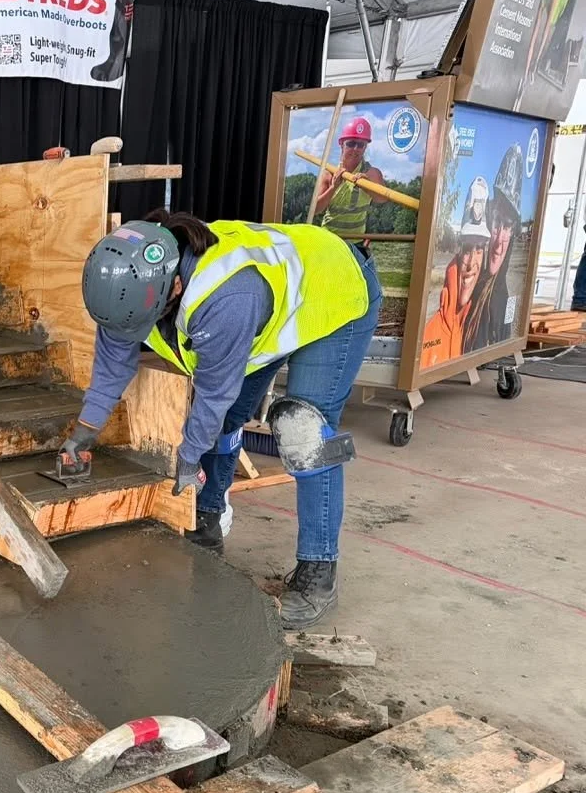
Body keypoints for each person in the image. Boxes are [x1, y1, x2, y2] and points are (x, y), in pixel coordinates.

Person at [57, 211, 381, 630]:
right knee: (226, 418)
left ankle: (318, 574)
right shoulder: (129, 286)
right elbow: (112, 365)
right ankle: (206, 522)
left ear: (173, 287)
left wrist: (188, 461)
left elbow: (212, 394)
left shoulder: (225, 297)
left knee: (304, 431)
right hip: (272, 308)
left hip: (333, 291)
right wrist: (83, 433)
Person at [421, 179, 490, 368]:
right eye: (467, 250)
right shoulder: (429, 334)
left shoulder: (468, 325)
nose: (471, 264)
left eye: (479, 250)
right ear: (458, 253)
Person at [466, 148, 523, 352]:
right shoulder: (467, 290)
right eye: (497, 223)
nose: (499, 242)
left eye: (507, 228)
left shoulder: (504, 302)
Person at [314, 117, 387, 249]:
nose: (355, 149)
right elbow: (315, 209)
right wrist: (333, 187)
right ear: (341, 144)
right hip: (329, 240)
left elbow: (382, 198)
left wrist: (367, 186)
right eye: (351, 143)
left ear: (365, 147)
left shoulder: (372, 173)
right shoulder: (329, 173)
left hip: (356, 243)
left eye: (360, 145)